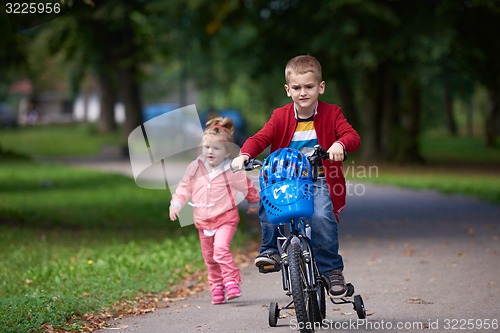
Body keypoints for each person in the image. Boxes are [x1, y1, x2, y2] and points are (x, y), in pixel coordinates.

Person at [231, 55, 361, 297]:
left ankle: (332, 269)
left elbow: (352, 136)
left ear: (320, 87)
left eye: (309, 86)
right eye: (297, 87)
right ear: (288, 90)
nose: (303, 92)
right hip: (287, 179)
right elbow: (260, 137)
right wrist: (244, 154)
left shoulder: (333, 113)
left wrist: (340, 145)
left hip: (319, 179)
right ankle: (270, 250)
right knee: (269, 201)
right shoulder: (280, 116)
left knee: (322, 216)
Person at [169, 117, 259, 305]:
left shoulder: (230, 170)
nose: (210, 152)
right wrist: (176, 204)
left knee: (220, 250)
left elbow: (246, 185)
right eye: (207, 147)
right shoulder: (195, 167)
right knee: (210, 258)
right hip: (203, 221)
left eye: (216, 148)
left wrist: (253, 202)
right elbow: (184, 187)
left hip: (226, 219)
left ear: (227, 152)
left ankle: (231, 281)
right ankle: (217, 286)